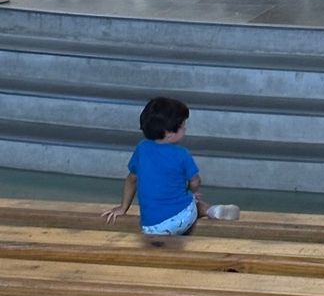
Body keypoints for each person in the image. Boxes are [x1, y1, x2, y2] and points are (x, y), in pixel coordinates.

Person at [101, 95, 239, 238]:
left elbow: (131, 179)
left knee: (176, 200)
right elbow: (195, 182)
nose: (185, 129)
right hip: (180, 221)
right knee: (194, 202)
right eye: (182, 126)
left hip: (151, 227)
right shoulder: (181, 154)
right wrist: (191, 192)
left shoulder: (141, 149)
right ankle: (211, 211)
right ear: (168, 132)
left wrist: (123, 208)